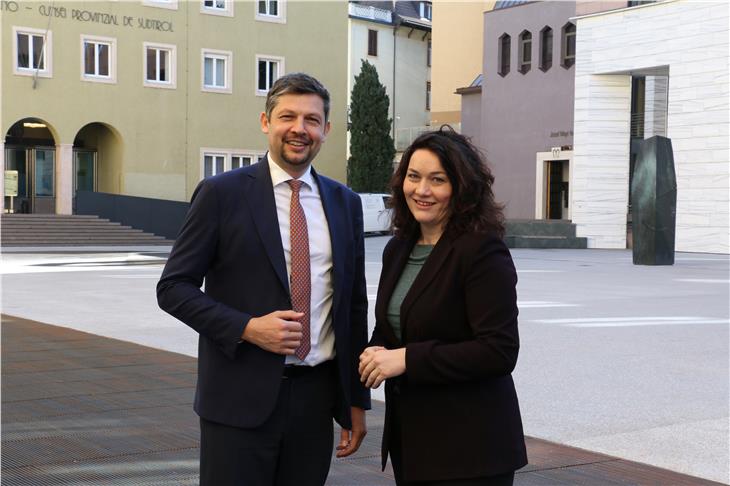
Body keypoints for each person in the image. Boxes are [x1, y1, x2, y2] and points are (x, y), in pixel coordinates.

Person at [157, 72, 370, 486]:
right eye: (288, 116)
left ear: (326, 130)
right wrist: (248, 328)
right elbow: (173, 288)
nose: (299, 129)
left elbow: (353, 306)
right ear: (265, 122)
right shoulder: (222, 193)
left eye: (311, 120)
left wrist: (355, 401)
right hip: (237, 401)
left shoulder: (345, 203)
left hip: (315, 399)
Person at [359, 127, 527, 485]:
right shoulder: (399, 247)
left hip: (471, 449)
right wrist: (374, 353)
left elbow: (498, 351)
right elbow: (396, 325)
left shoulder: (481, 251)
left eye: (437, 180)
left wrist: (405, 358)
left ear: (461, 187)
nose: (421, 190)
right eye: (413, 177)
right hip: (414, 443)